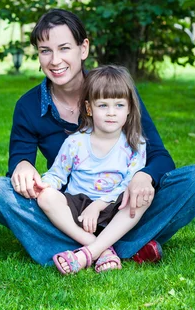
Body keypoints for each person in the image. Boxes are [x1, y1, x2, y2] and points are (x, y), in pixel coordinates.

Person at [0, 9, 195, 270]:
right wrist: (22, 166)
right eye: (45, 50)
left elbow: (160, 156)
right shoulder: (28, 105)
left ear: (83, 49)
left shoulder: (114, 92)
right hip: (71, 209)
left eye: (64, 48)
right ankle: (122, 248)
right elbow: (18, 163)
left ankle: (85, 250)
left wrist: (145, 176)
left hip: (124, 202)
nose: (55, 60)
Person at [37, 65, 147, 274]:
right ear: (89, 109)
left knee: (141, 196)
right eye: (103, 105)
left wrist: (98, 206)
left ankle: (88, 253)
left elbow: (128, 183)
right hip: (78, 209)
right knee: (45, 198)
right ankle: (102, 248)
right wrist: (44, 185)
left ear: (130, 108)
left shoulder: (134, 144)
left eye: (119, 105)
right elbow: (57, 174)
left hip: (115, 207)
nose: (111, 113)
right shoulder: (76, 143)